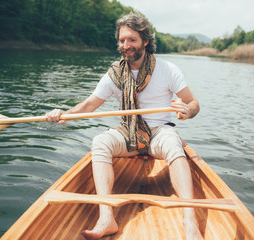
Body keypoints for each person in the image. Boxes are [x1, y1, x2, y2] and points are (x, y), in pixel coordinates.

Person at [46, 12, 202, 240]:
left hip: (159, 131)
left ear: (145, 41)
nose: (125, 45)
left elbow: (193, 103)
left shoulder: (167, 69)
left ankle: (190, 221)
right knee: (100, 142)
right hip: (127, 132)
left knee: (173, 143)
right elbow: (89, 105)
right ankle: (106, 217)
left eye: (131, 40)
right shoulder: (114, 74)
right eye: (122, 40)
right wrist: (63, 114)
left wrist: (188, 111)